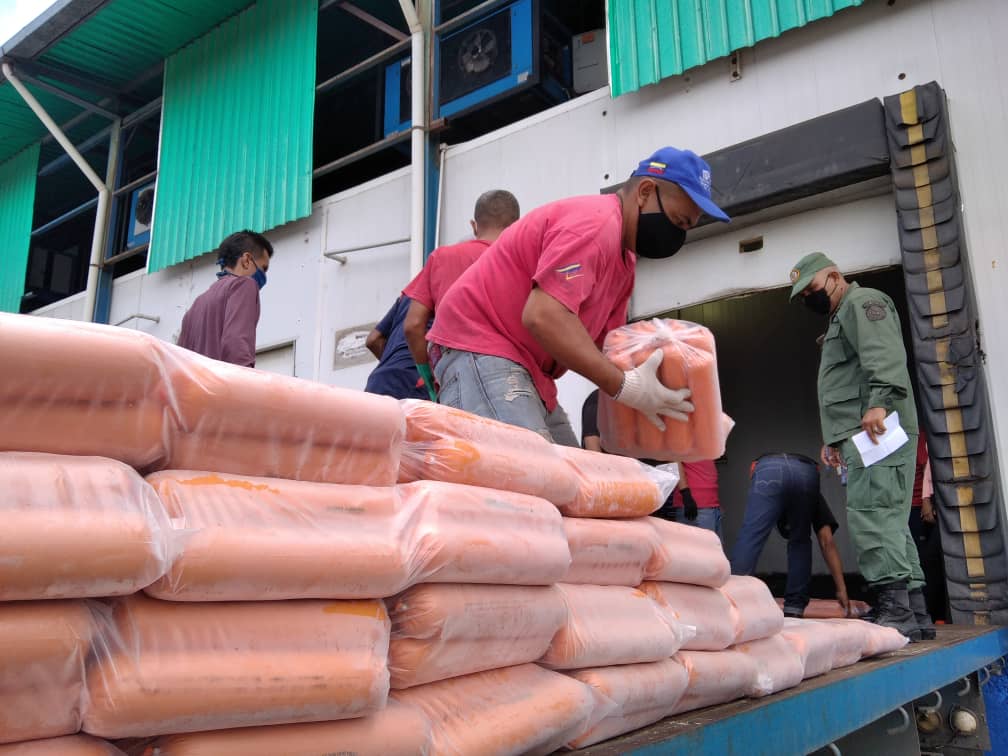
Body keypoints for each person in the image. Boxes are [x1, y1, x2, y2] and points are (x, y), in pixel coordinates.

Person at [427, 147, 730, 445]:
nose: (678, 235)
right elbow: (543, 316)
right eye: (679, 221)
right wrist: (625, 386)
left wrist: (687, 404)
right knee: (532, 469)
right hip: (481, 347)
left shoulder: (623, 261)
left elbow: (609, 350)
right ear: (645, 191)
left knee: (574, 476)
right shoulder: (594, 226)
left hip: (528, 367)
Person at [789, 251, 934, 640]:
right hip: (863, 432)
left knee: (873, 513)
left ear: (835, 276)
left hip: (877, 429)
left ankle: (896, 610)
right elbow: (845, 383)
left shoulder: (862, 302)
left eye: (812, 289)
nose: (809, 298)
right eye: (803, 296)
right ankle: (915, 613)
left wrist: (879, 403)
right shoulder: (842, 314)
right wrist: (834, 438)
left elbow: (882, 355)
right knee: (890, 520)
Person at [403, 190, 521, 396]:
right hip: (512, 370)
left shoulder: (442, 257)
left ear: (474, 226)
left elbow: (413, 325)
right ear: (517, 226)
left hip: (453, 372)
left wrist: (430, 378)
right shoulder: (521, 262)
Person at [581, 388, 722, 536]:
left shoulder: (647, 400)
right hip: (619, 489)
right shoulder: (599, 400)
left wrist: (685, 492)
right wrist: (604, 489)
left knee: (655, 541)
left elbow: (668, 449)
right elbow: (592, 447)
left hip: (653, 491)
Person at [730, 452, 851, 619]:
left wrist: (842, 589)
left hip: (768, 468)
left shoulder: (808, 498)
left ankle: (732, 600)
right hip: (805, 471)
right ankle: (794, 608)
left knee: (751, 536)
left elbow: (826, 541)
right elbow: (826, 540)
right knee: (800, 541)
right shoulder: (810, 494)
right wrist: (841, 589)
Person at [177, 230, 273, 367]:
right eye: (264, 268)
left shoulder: (196, 305)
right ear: (246, 260)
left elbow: (178, 361)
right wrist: (246, 377)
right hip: (225, 380)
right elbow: (236, 344)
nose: (264, 276)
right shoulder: (244, 285)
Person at [909, 434, 948, 621]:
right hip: (915, 505)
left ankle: (933, 612)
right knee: (926, 559)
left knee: (929, 559)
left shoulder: (921, 436)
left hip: (922, 505)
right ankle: (932, 612)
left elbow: (927, 466)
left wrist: (925, 500)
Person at [363, 296, 429, 400]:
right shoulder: (447, 291)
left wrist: (396, 365)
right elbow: (412, 327)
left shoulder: (407, 296)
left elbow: (373, 340)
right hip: (411, 381)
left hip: (378, 382)